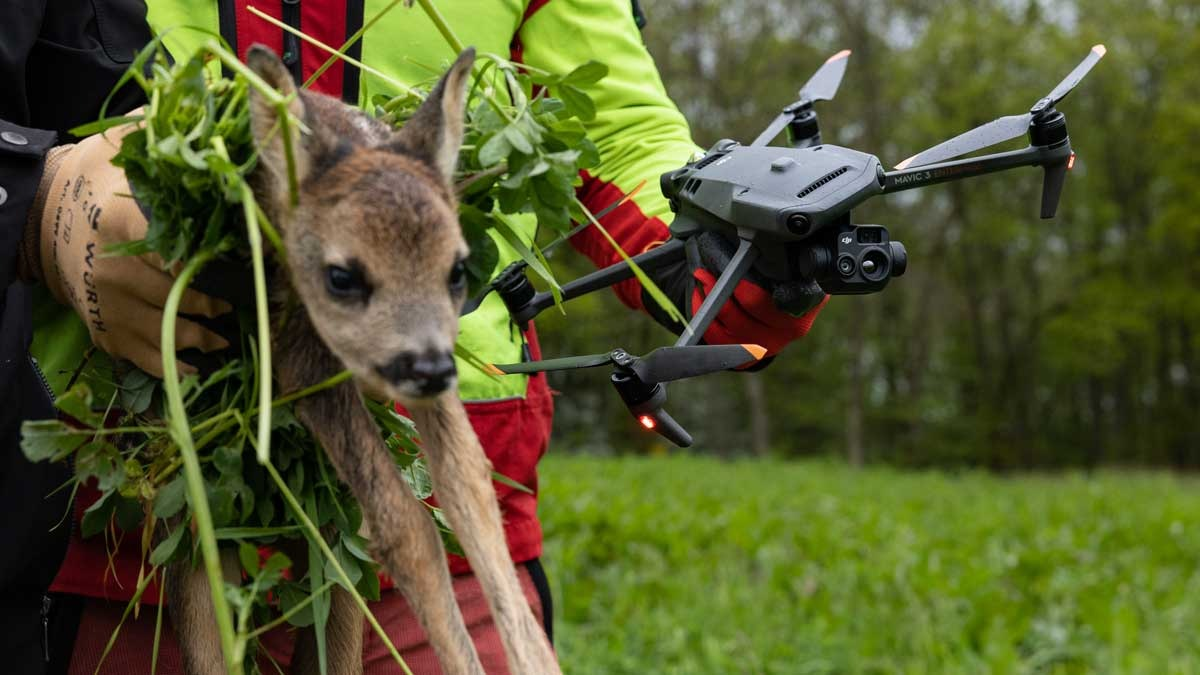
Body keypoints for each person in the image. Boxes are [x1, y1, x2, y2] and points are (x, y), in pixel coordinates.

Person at [0, 1, 828, 673]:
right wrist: (33, 204)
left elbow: (613, 135)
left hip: (456, 526)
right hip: (124, 525)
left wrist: (739, 230)